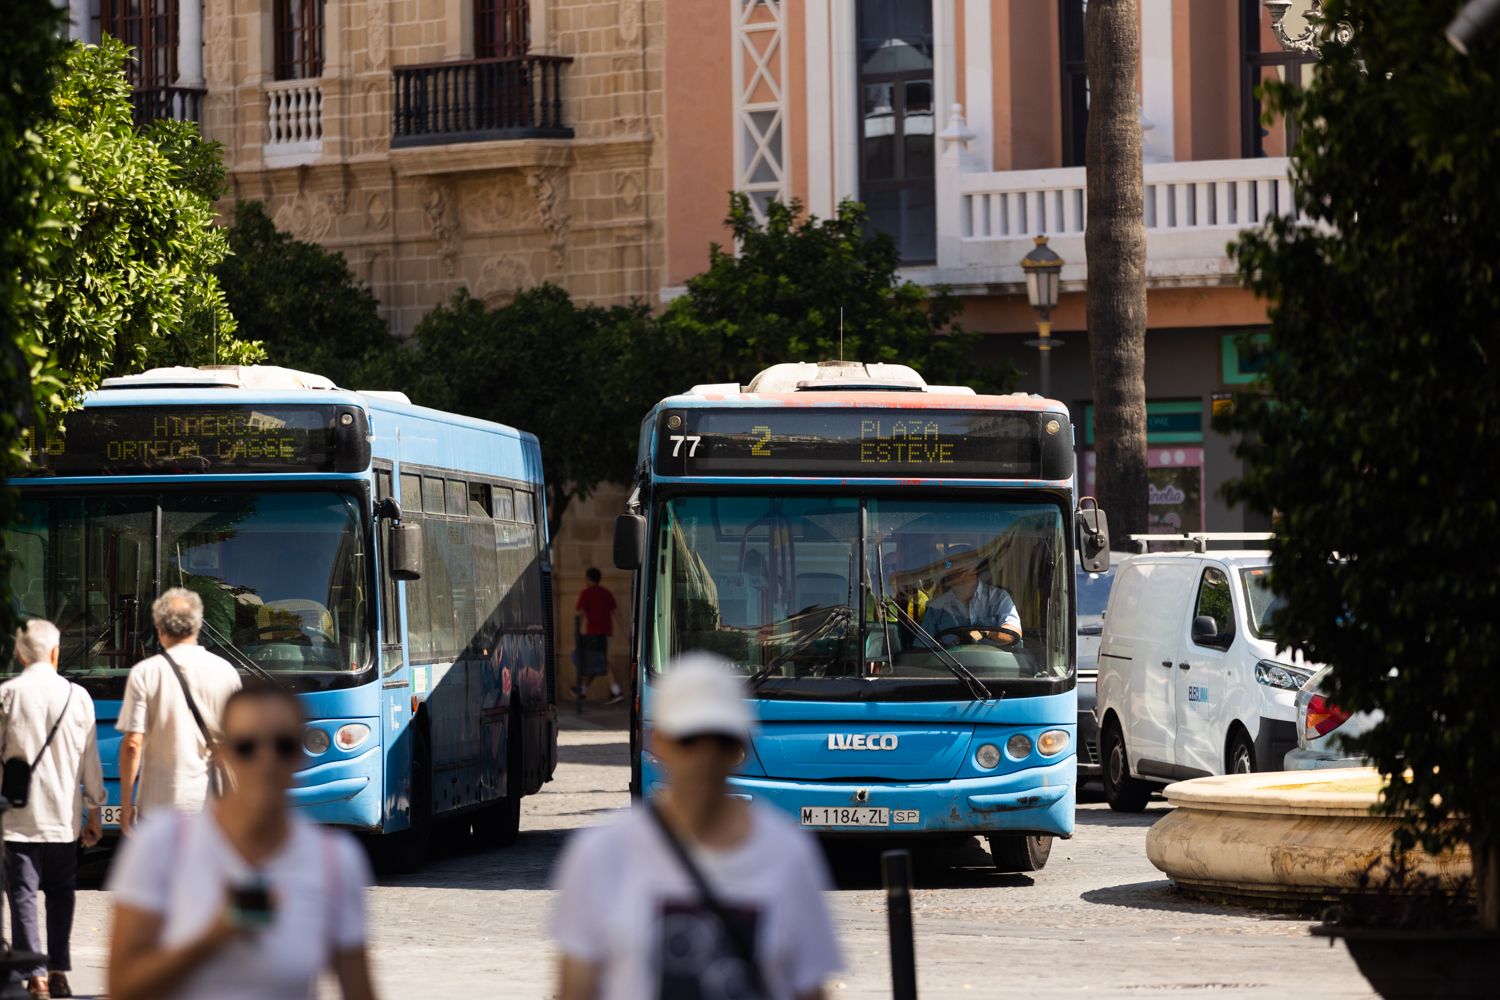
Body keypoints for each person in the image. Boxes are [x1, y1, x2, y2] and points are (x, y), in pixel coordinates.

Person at [551, 653, 843, 1000]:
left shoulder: (787, 852)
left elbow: (808, 989)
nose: (705, 756)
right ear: (660, 742)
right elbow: (577, 987)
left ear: (740, 747)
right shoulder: (602, 854)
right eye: (690, 739)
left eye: (720, 740)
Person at [106, 682, 378, 1000]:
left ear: (300, 757)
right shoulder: (163, 844)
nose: (266, 760)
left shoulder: (335, 860)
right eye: (247, 746)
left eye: (284, 746)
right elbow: (122, 988)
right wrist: (214, 935)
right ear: (223, 755)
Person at [1, 619, 105, 999]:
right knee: (62, 891)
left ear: (19, 654)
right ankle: (59, 969)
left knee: (22, 892)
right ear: (56, 652)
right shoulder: (78, 696)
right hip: (63, 814)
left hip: (17, 815)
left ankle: (37, 975)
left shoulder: (7, 694)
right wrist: (94, 809)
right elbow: (89, 760)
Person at [117, 588, 242, 834]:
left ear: (159, 627)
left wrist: (125, 803)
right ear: (197, 625)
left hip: (158, 808)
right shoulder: (226, 671)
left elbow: (133, 744)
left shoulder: (146, 672)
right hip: (210, 805)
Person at [919, 543, 1023, 647]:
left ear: (974, 567)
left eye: (957, 563)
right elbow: (922, 647)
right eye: (948, 564)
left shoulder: (998, 598)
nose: (951, 568)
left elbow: (1013, 633)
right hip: (948, 663)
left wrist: (985, 632)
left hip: (993, 662)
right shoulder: (937, 606)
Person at [574, 568, 624, 705]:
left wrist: (576, 631)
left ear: (589, 579)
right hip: (607, 633)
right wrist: (626, 632)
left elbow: (580, 614)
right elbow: (617, 613)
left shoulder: (586, 593)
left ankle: (616, 690)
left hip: (594, 633)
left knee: (600, 663)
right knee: (596, 662)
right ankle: (582, 690)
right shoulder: (606, 593)